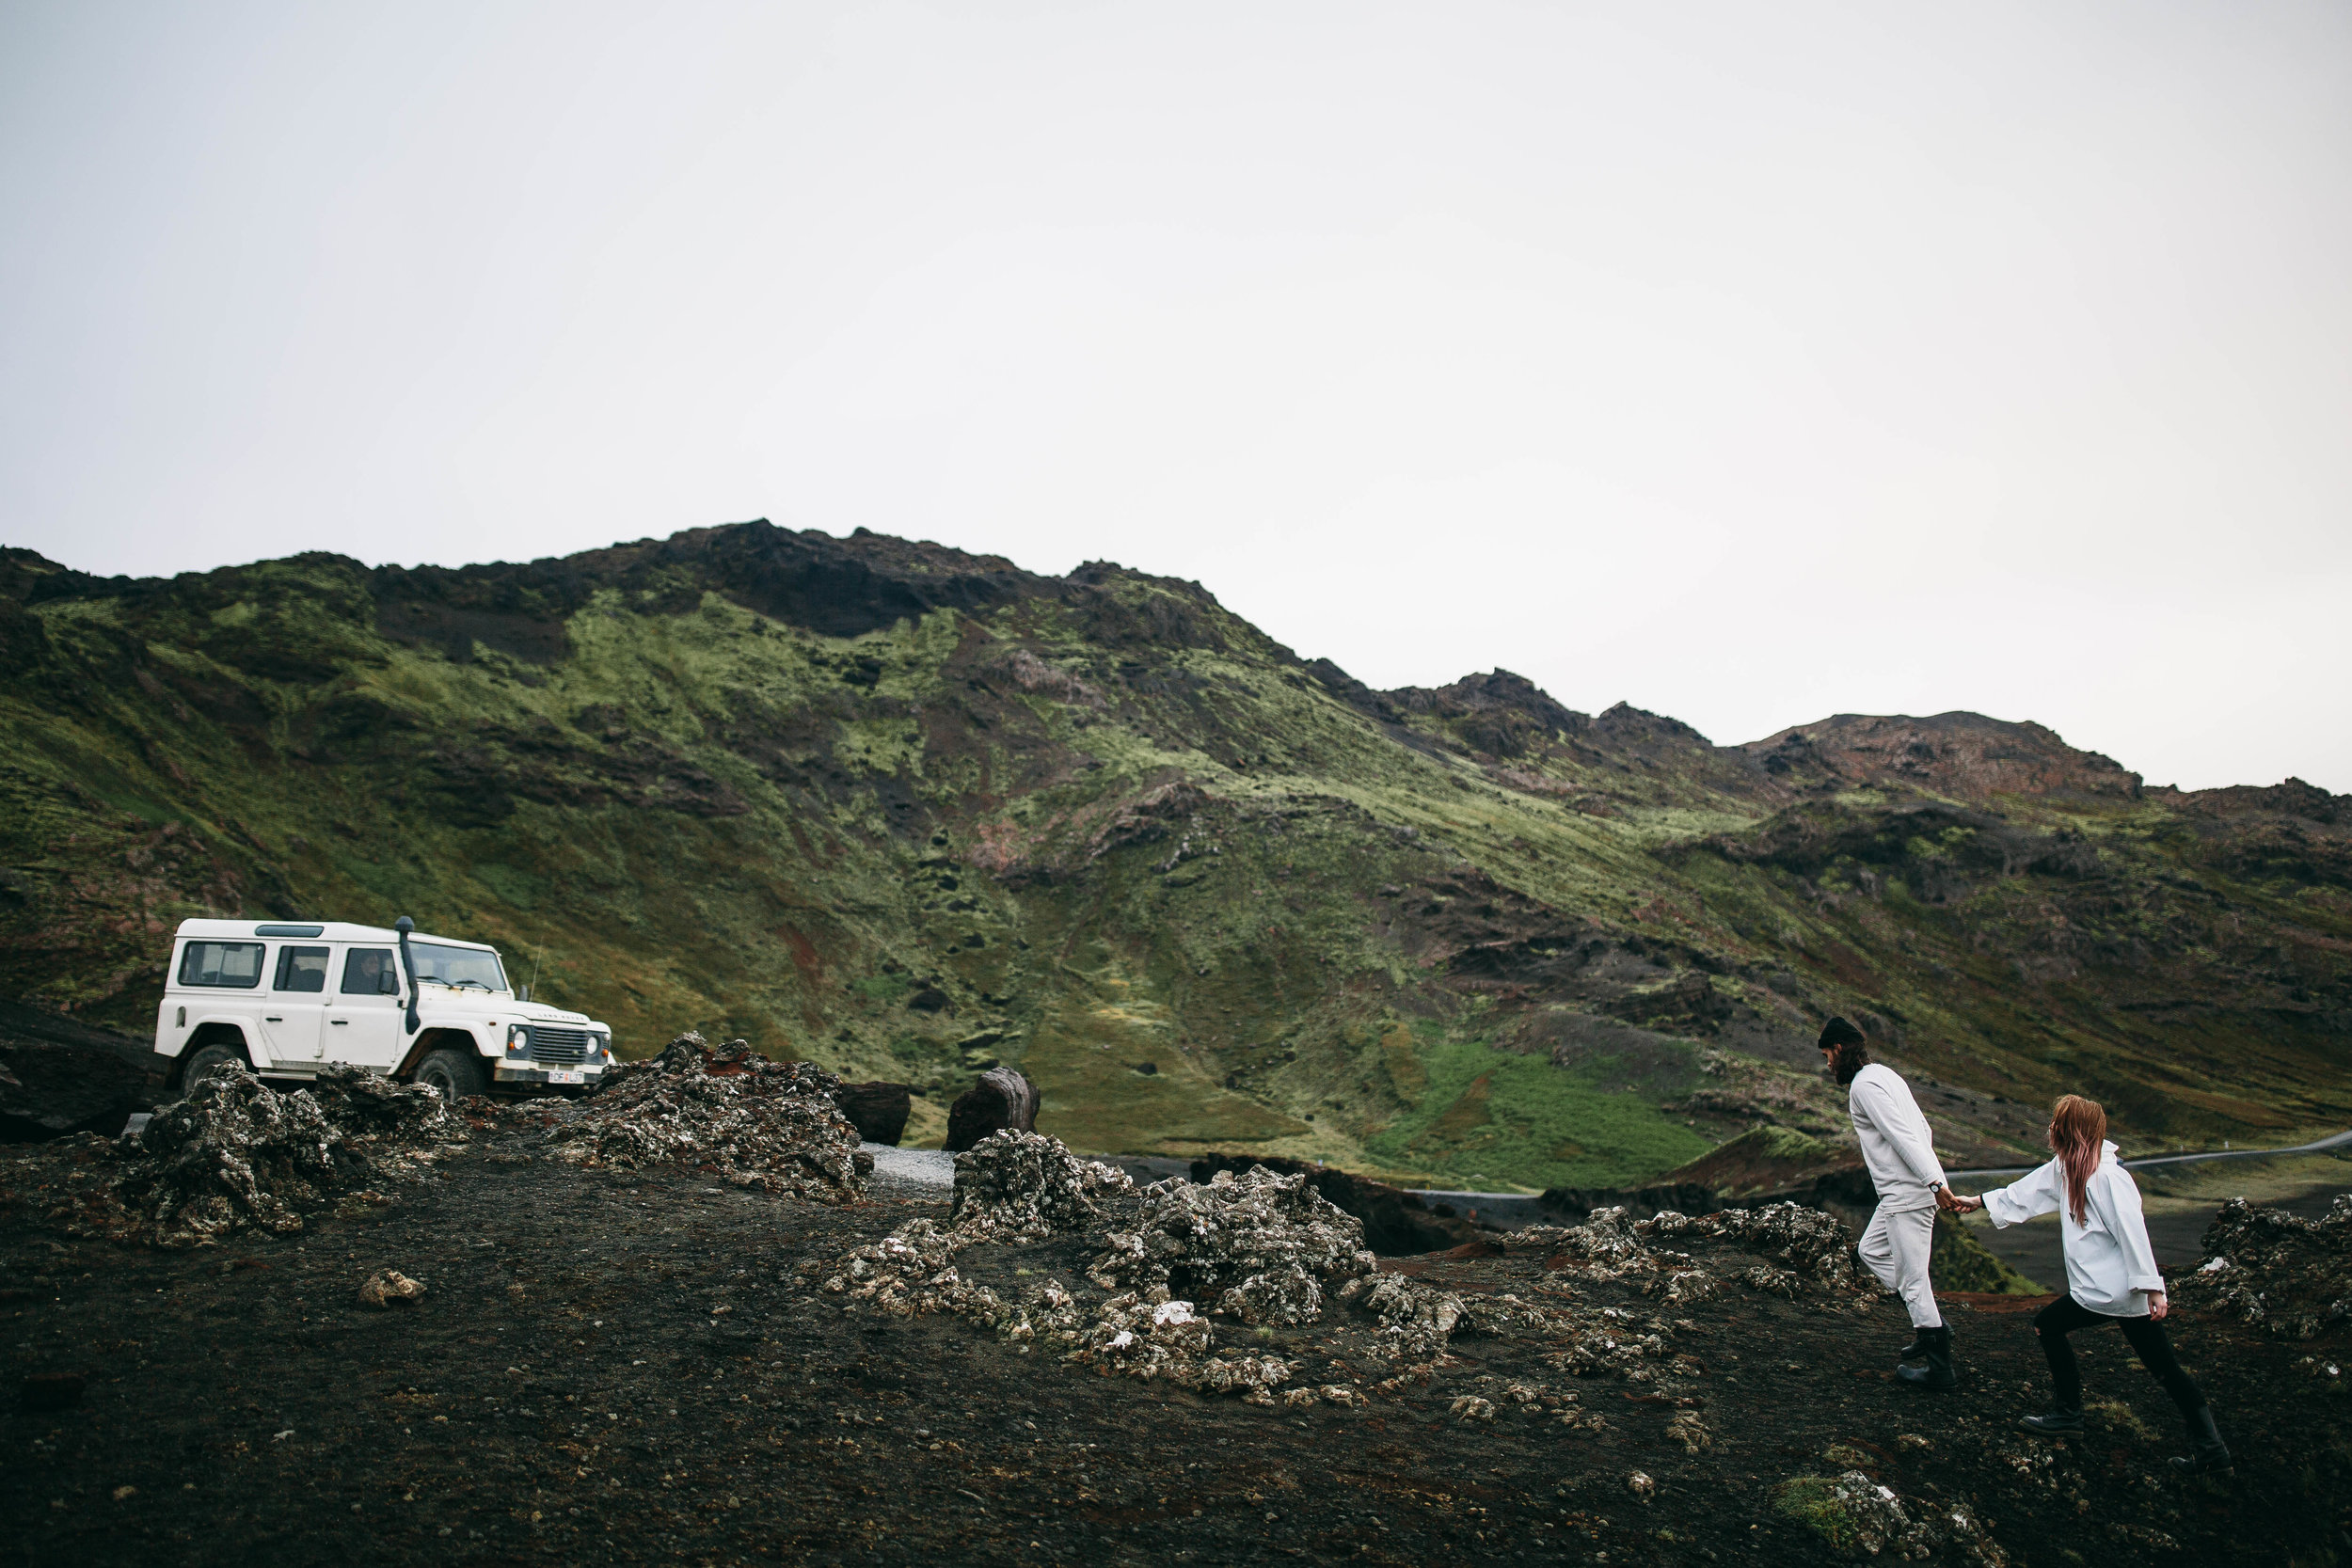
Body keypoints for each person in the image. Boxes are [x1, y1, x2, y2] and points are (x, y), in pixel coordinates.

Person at [1949, 1095, 2231, 1473]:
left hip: (2107, 1291)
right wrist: (1981, 1200)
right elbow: (2026, 1192)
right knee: (2163, 1366)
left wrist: (2154, 1287)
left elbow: (2133, 1232)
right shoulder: (2066, 1168)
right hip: (2117, 1293)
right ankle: (2213, 1452)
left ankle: (2068, 1414)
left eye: (2056, 1122)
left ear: (2070, 1131)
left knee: (2047, 1326)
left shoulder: (2109, 1177)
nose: (2050, 1128)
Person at [1820, 1016, 1960, 1389]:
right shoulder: (1886, 1075)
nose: (1827, 1065)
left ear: (1837, 1048)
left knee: (1914, 1282)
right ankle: (1931, 1325)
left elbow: (1902, 1137)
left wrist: (1934, 1183)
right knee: (1870, 1250)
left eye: (1827, 1056)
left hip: (1907, 1195)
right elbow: (1923, 1129)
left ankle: (1939, 1368)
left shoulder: (1862, 1088)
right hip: (1901, 1193)